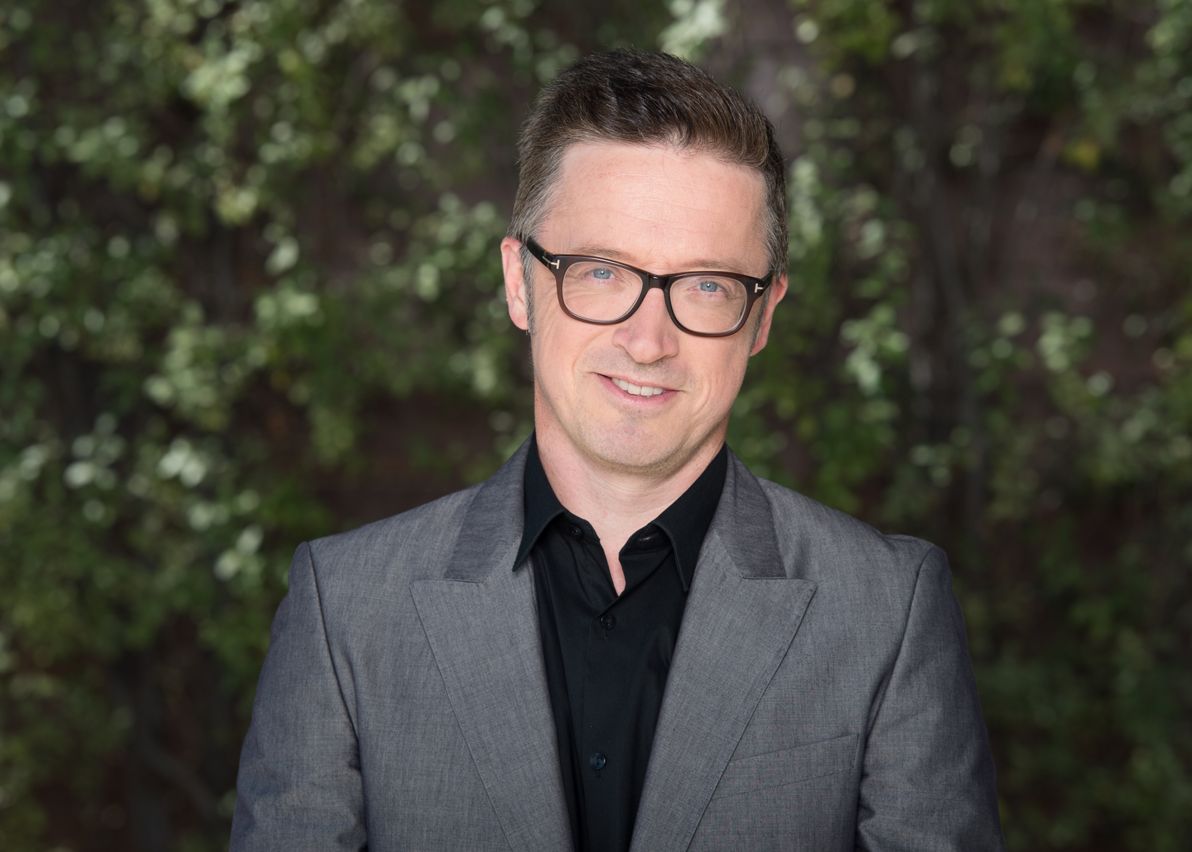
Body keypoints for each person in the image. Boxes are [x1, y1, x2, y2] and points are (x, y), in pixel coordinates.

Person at [231, 49, 1004, 851]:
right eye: (601, 272)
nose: (647, 340)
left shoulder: (889, 610)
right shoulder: (345, 611)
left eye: (706, 285)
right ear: (519, 282)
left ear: (764, 314)